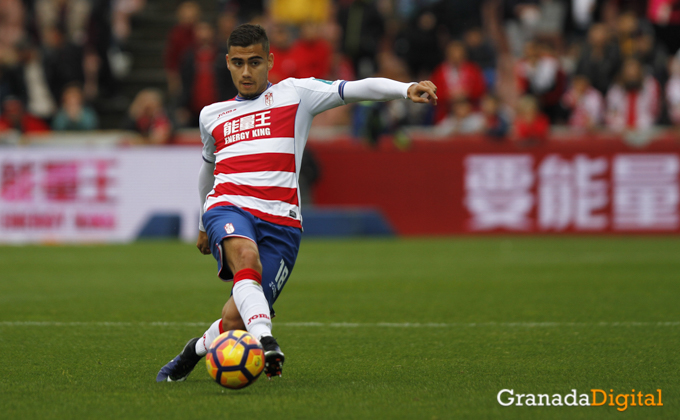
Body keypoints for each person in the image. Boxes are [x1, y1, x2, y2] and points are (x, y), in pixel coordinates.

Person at [156, 23, 437, 382]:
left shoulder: (296, 94)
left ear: (270, 61)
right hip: (228, 206)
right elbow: (207, 171)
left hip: (282, 222)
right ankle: (267, 342)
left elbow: (355, 89)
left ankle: (194, 350)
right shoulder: (211, 114)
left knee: (233, 318)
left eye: (255, 62)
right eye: (238, 62)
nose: (246, 71)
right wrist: (201, 223)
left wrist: (405, 89)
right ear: (227, 63)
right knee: (247, 259)